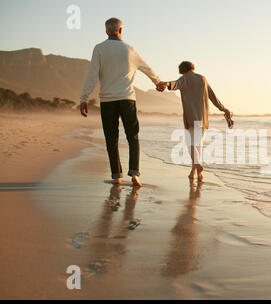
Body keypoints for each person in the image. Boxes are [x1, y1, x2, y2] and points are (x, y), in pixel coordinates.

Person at [79, 17, 165, 187]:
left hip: (107, 101)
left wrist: (84, 98)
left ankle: (116, 175)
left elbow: (92, 74)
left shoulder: (99, 49)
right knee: (133, 137)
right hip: (127, 100)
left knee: (111, 138)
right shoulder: (130, 49)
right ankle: (134, 175)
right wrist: (158, 83)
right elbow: (147, 68)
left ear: (106, 31)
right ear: (121, 30)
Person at [158, 61, 232, 181]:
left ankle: (197, 166)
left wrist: (165, 84)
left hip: (191, 117)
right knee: (198, 145)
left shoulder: (184, 79)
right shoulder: (203, 79)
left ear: (182, 69)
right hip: (203, 118)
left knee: (190, 144)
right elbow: (213, 97)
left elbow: (175, 84)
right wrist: (224, 109)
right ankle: (196, 173)